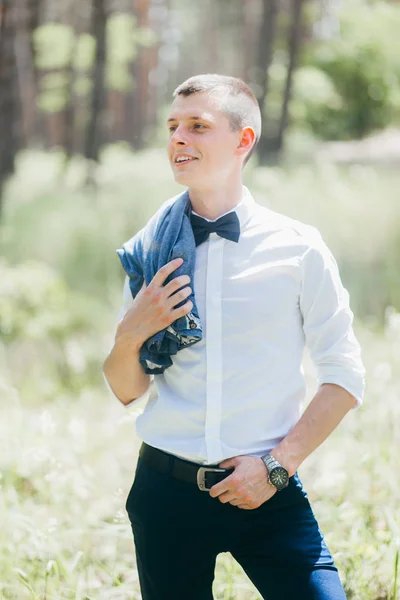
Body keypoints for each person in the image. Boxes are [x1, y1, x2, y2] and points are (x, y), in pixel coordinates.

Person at [103, 74, 365, 600]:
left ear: (243, 140)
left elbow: (344, 376)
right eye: (173, 126)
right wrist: (130, 334)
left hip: (269, 489)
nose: (178, 138)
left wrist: (275, 468)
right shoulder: (152, 250)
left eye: (198, 126)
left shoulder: (299, 249)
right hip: (165, 492)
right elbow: (126, 389)